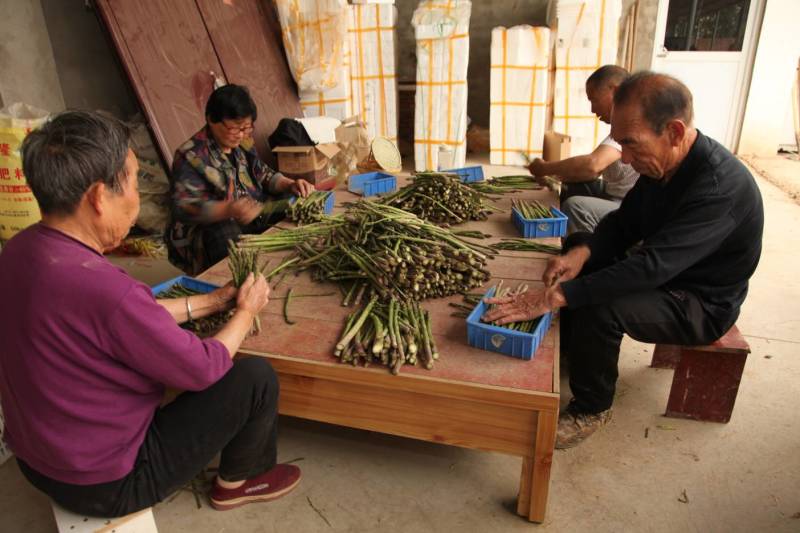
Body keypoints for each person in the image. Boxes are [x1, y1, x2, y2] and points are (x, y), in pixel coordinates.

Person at [0, 111, 301, 517]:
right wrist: (246, 311)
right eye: (133, 181)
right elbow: (204, 368)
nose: (138, 197)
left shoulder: (19, 252)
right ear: (98, 197)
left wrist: (214, 302)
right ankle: (240, 482)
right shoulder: (108, 291)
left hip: (35, 463)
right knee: (255, 378)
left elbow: (120, 318)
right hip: (106, 483)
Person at [484, 72, 764, 449]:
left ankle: (592, 408)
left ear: (675, 132)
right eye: (620, 144)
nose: (626, 160)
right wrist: (581, 252)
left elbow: (652, 267)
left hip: (699, 301)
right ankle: (573, 350)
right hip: (667, 270)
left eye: (631, 145)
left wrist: (552, 297)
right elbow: (624, 222)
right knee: (581, 253)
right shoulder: (663, 164)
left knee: (600, 304)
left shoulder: (718, 188)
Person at [166, 84, 314, 275]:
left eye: (247, 127)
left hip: (251, 213)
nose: (242, 134)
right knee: (225, 232)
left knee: (293, 201)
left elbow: (263, 174)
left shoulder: (243, 142)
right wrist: (228, 209)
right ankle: (238, 281)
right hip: (208, 229)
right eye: (235, 128)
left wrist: (291, 183)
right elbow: (184, 208)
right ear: (212, 119)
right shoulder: (190, 155)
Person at [527, 65, 639, 233]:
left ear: (615, 91)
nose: (593, 109)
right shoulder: (622, 122)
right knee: (571, 185)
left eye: (593, 99)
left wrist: (544, 168)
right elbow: (591, 169)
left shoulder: (632, 123)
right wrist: (555, 176)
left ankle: (586, 255)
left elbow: (592, 166)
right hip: (617, 193)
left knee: (576, 207)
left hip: (631, 205)